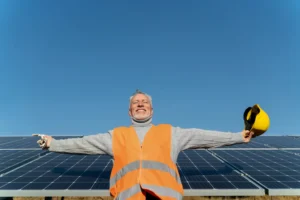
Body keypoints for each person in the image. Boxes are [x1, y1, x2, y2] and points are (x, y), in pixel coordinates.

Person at [35, 90, 254, 200]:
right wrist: (53, 144)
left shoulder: (171, 133)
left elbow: (203, 136)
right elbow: (83, 144)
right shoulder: (116, 135)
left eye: (145, 102)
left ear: (151, 110)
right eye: (136, 103)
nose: (141, 104)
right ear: (130, 112)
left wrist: (237, 136)